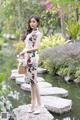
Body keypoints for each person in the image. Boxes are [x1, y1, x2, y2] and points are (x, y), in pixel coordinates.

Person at [20, 15, 42, 114]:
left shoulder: (38, 33)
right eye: (30, 22)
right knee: (31, 82)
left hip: (33, 58)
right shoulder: (29, 33)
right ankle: (33, 104)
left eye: (34, 21)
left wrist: (25, 51)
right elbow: (27, 46)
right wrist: (22, 53)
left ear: (37, 23)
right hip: (27, 58)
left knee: (34, 81)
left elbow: (36, 47)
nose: (32, 23)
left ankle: (38, 105)